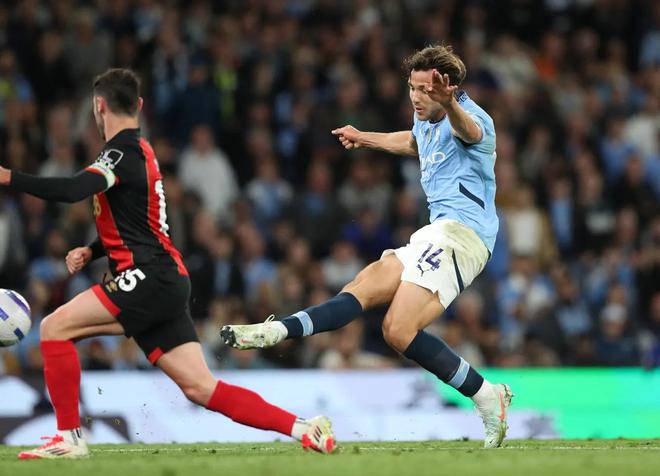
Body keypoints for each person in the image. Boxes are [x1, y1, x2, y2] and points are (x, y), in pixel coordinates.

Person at [0, 69, 336, 459]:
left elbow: (75, 189)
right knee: (201, 388)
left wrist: (9, 177)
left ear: (99, 107)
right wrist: (93, 250)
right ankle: (303, 427)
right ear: (140, 105)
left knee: (54, 328)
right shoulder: (142, 152)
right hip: (166, 278)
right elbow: (141, 225)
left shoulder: (119, 153)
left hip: (147, 277)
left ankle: (69, 438)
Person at [222, 45, 513, 448]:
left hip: (464, 237)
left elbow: (469, 133)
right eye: (412, 87)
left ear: (448, 88)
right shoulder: (425, 119)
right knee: (363, 286)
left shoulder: (472, 118)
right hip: (434, 234)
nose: (415, 97)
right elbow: (413, 142)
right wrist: (364, 138)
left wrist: (450, 104)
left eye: (425, 90)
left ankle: (485, 396)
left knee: (398, 329)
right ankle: (277, 330)